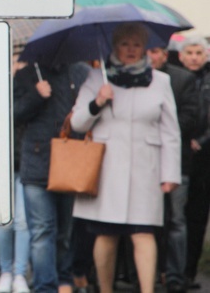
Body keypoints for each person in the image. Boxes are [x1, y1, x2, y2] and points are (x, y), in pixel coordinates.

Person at [70, 23, 181, 293]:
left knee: (144, 233)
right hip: (108, 170)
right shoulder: (97, 78)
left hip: (146, 170)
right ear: (114, 46)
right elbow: (77, 123)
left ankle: (147, 290)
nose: (130, 50)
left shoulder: (160, 81)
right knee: (106, 234)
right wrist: (97, 102)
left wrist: (170, 174)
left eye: (136, 44)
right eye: (124, 44)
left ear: (145, 48)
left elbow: (170, 132)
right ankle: (105, 289)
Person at [14, 58, 89, 293]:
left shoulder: (82, 72)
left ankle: (64, 279)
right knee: (42, 230)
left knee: (65, 232)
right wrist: (36, 95)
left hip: (70, 161)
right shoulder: (27, 74)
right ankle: (45, 286)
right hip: (37, 163)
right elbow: (14, 114)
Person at [147, 46, 199, 292]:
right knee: (144, 222)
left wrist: (160, 127)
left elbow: (192, 118)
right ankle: (147, 274)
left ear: (165, 55)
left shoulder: (181, 79)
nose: (150, 56)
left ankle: (176, 276)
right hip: (144, 163)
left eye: (155, 51)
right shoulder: (131, 81)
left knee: (176, 221)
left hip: (178, 162)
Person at [177, 36, 210, 289]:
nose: (194, 57)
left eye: (199, 52)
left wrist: (200, 140)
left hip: (204, 157)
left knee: (198, 217)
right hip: (177, 154)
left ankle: (189, 271)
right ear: (181, 55)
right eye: (190, 52)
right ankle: (171, 270)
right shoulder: (171, 79)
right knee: (174, 217)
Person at [0, 55, 31, 293]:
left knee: (23, 220)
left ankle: (19, 274)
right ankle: (5, 272)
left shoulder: (34, 85)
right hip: (2, 162)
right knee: (4, 221)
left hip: (26, 162)